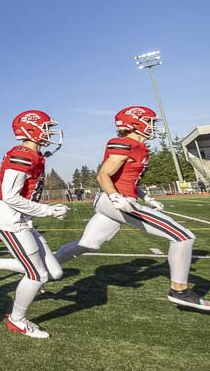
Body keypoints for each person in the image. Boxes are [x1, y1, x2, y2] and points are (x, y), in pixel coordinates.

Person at [55, 106, 209, 311]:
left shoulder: (139, 147)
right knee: (183, 236)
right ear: (135, 123)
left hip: (117, 199)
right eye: (150, 121)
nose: (154, 126)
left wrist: (147, 198)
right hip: (117, 202)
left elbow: (129, 181)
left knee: (88, 243)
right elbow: (103, 175)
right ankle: (180, 291)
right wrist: (116, 197)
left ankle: (45, 269)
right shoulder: (125, 143)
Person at [0, 110, 70, 339]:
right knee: (38, 275)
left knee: (54, 272)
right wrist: (47, 210)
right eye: (46, 127)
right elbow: (10, 196)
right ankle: (17, 320)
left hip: (22, 221)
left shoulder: (33, 154)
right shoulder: (23, 154)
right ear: (31, 129)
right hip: (10, 222)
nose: (50, 132)